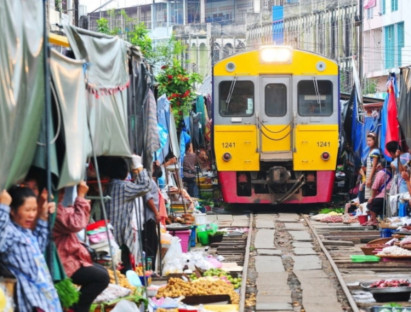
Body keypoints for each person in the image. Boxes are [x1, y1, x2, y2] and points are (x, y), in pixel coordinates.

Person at [0, 187, 62, 312]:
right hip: (30, 300)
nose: (32, 215)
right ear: (12, 211)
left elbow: (39, 247)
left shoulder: (25, 232)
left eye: (34, 209)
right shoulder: (9, 232)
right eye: (27, 210)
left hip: (45, 296)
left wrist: (44, 216)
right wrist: (3, 208)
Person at [53, 181, 109, 312]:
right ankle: (77, 308)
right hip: (61, 260)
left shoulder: (56, 208)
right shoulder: (52, 210)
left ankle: (78, 306)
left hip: (68, 256)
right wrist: (81, 197)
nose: (62, 195)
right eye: (60, 192)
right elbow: (76, 224)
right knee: (101, 277)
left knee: (102, 272)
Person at [104, 155, 151, 272]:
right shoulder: (123, 187)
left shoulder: (106, 186)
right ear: (124, 172)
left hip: (105, 237)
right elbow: (146, 186)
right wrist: (138, 167)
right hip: (121, 238)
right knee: (125, 269)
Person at [142, 163, 162, 271]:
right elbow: (148, 197)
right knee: (149, 246)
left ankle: (151, 269)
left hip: (150, 217)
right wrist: (156, 213)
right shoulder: (146, 179)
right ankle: (149, 270)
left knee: (152, 244)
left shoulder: (148, 178)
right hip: (148, 217)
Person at [366, 161, 392, 226]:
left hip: (382, 196)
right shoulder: (391, 173)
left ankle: (374, 220)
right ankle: (372, 219)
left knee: (370, 204)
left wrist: (372, 197)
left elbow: (375, 187)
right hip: (389, 196)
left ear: (380, 165)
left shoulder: (381, 172)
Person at [361, 132, 381, 201]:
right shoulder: (370, 151)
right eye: (367, 140)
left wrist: (369, 179)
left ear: (374, 141)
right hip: (369, 175)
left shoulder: (375, 151)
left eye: (370, 140)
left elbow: (374, 166)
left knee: (371, 195)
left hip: (372, 176)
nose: (368, 142)